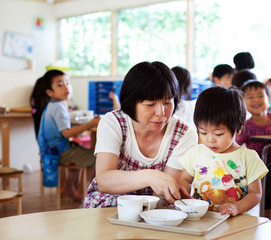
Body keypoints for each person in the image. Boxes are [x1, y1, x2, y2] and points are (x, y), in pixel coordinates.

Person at [83, 61, 198, 208]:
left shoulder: (184, 134)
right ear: (131, 103)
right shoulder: (114, 122)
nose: (161, 113)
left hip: (156, 207)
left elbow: (164, 195)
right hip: (110, 203)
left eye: (168, 103)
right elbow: (104, 181)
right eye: (150, 104)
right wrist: (149, 176)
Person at [178, 86, 268, 216]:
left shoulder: (248, 157)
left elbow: (256, 193)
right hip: (203, 219)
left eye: (218, 134)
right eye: (203, 132)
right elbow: (185, 180)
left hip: (236, 222)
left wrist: (237, 207)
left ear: (238, 129)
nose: (210, 140)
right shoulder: (195, 153)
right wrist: (184, 193)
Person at [34, 70, 100, 200]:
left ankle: (68, 188)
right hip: (61, 152)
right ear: (49, 92)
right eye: (60, 84)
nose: (66, 86)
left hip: (51, 151)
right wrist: (90, 124)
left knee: (80, 154)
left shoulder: (53, 105)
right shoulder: (58, 107)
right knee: (96, 158)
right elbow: (66, 133)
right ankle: (82, 192)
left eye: (67, 83)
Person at [236, 80, 271, 218]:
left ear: (269, 98)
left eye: (260, 95)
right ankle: (266, 216)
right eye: (250, 97)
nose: (256, 100)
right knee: (265, 176)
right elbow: (235, 144)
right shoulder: (246, 126)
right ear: (243, 102)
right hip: (257, 169)